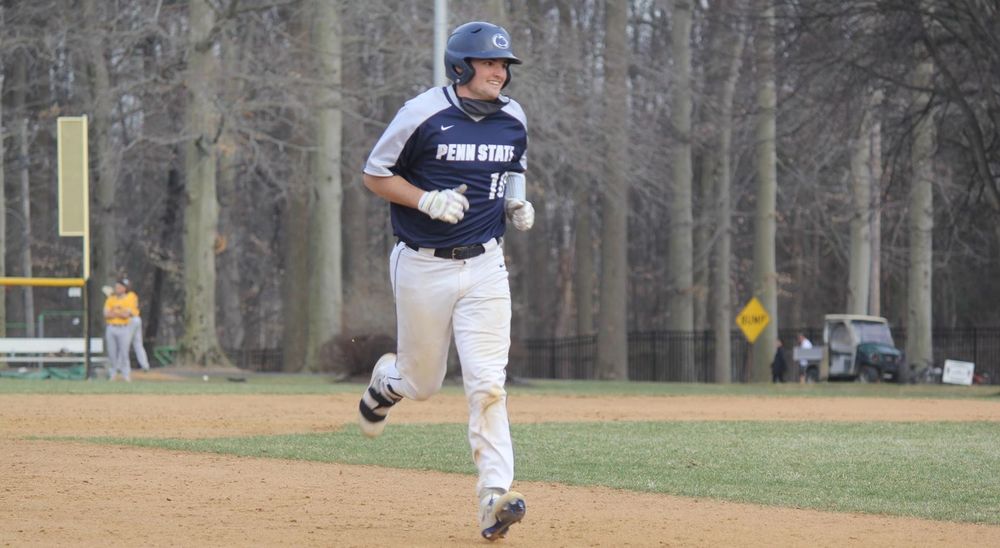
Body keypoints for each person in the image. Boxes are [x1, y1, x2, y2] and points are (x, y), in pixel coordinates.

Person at [357, 21, 532, 542]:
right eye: (489, 63)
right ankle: (387, 383)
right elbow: (374, 173)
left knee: (488, 385)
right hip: (422, 263)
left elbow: (513, 164)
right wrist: (423, 199)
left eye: (504, 64)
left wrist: (515, 200)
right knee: (423, 384)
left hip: (486, 265)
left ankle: (493, 497)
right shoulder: (423, 113)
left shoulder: (514, 116)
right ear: (461, 66)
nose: (500, 72)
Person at [103, 279, 139, 381]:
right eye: (116, 286)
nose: (117, 288)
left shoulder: (129, 298)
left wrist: (114, 312)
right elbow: (106, 314)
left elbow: (126, 315)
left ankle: (126, 375)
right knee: (112, 353)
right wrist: (120, 312)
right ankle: (112, 375)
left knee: (124, 353)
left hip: (124, 328)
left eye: (119, 287)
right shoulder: (111, 299)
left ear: (124, 288)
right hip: (111, 327)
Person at [123, 280, 151, 371]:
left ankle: (121, 366)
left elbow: (128, 311)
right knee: (137, 344)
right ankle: (145, 365)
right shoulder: (128, 296)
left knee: (125, 343)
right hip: (135, 320)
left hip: (132, 319)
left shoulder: (130, 296)